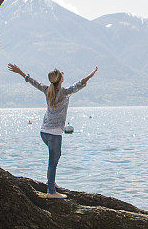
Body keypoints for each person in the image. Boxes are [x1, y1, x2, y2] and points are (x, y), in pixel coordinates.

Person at [8, 63, 98, 198]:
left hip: (44, 132)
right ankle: (51, 191)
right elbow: (81, 83)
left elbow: (32, 81)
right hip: (54, 133)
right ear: (60, 79)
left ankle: (51, 182)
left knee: (56, 157)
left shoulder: (47, 90)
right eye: (62, 75)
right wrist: (91, 74)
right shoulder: (65, 92)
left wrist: (20, 71)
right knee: (53, 161)